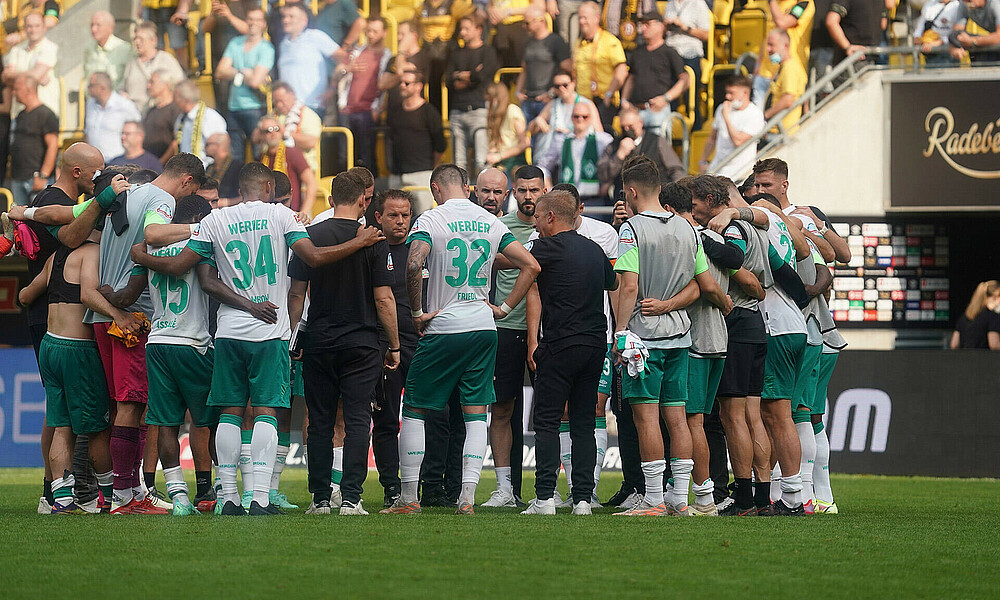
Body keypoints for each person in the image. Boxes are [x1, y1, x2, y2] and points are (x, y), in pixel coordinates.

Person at [129, 161, 389, 515]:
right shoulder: (280, 217)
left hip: (229, 332)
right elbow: (311, 257)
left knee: (231, 414)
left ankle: (229, 498)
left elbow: (195, 275)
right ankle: (261, 499)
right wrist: (358, 242)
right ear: (268, 188)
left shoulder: (214, 220)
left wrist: (141, 255)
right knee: (266, 412)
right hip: (270, 331)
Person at [382, 163, 540, 515]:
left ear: (436, 188)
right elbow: (530, 264)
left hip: (445, 326)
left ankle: (409, 498)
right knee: (474, 414)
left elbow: (412, 265)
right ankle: (467, 498)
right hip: (484, 327)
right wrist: (503, 307)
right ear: (468, 188)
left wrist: (417, 313)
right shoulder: (491, 222)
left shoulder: (431, 220)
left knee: (415, 410)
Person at [287, 173, 399, 516]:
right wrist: (394, 344)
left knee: (318, 423)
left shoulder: (310, 236)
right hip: (361, 343)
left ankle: (320, 498)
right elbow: (383, 299)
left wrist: (294, 336)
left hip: (319, 341)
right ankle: (351, 497)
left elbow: (296, 294)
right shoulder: (373, 240)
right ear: (365, 201)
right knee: (356, 421)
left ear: (331, 197)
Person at [110, 194, 219, 515]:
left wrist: (106, 294)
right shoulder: (201, 243)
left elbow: (127, 296)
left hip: (158, 343)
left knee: (166, 424)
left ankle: (179, 497)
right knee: (208, 422)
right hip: (194, 342)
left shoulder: (149, 250)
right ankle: (225, 490)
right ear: (198, 216)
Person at [520, 189, 617, 515]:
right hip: (594, 345)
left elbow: (511, 260)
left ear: (550, 217)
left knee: (546, 421)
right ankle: (582, 500)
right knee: (584, 423)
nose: (535, 225)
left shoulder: (544, 247)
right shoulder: (594, 248)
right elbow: (612, 282)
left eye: (537, 218)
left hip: (560, 345)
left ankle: (545, 498)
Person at [612, 156, 699, 516]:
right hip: (680, 334)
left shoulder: (631, 230)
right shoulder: (687, 228)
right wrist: (668, 305)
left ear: (631, 192)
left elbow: (628, 286)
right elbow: (699, 284)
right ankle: (680, 496)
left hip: (643, 340)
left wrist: (619, 332)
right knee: (677, 418)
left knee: (646, 419)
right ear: (659, 189)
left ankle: (653, 499)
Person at [16, 230, 116, 514]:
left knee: (62, 425)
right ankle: (109, 498)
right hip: (78, 349)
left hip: (50, 344)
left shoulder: (55, 258)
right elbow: (88, 295)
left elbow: (24, 296)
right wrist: (119, 314)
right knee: (97, 430)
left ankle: (61, 499)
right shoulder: (92, 252)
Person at [659, 181, 735, 516]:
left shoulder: (683, 238)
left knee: (690, 422)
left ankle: (700, 498)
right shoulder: (716, 238)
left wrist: (666, 304)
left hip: (694, 340)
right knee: (698, 421)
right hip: (717, 338)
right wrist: (725, 299)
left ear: (670, 209)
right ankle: (696, 495)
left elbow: (701, 286)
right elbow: (732, 278)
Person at [480, 165, 542, 508]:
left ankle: (550, 489)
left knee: (550, 412)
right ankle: (505, 489)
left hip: (544, 333)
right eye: (522, 190)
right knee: (502, 409)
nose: (528, 196)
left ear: (544, 191)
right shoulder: (497, 227)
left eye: (535, 190)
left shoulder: (557, 226)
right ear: (512, 194)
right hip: (504, 329)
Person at [370, 189, 425, 507]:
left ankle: (429, 486)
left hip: (421, 346)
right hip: (384, 349)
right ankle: (392, 487)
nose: (401, 221)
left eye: (405, 215)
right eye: (393, 215)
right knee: (387, 420)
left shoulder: (421, 248)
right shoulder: (371, 250)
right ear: (379, 217)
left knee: (429, 417)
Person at [216, 7, 275, 163]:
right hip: (234, 108)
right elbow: (220, 72)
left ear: (264, 24)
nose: (253, 23)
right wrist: (243, 72)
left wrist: (234, 71)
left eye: (257, 20)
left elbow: (256, 82)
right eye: (250, 19)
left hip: (255, 108)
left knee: (259, 156)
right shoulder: (235, 42)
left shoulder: (266, 48)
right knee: (235, 158)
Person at [385, 69, 447, 215]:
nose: (402, 86)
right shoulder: (395, 111)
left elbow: (440, 145)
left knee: (423, 218)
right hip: (396, 175)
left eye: (407, 83)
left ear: (419, 86)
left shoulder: (429, 112)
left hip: (421, 174)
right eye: (401, 82)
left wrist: (428, 168)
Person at [446, 12, 499, 177]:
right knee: (459, 163)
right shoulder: (456, 53)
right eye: (461, 29)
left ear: (478, 29)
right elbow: (448, 80)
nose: (462, 32)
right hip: (457, 110)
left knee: (481, 161)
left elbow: (484, 76)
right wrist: (470, 76)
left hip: (479, 108)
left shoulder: (488, 52)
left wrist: (460, 75)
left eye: (466, 29)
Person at [621, 10, 689, 138]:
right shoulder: (637, 52)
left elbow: (685, 79)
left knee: (657, 151)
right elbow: (631, 78)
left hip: (657, 111)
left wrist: (666, 98)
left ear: (660, 26)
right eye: (642, 25)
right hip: (636, 110)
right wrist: (624, 100)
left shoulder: (669, 52)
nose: (643, 28)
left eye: (648, 24)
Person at [337, 17, 393, 172]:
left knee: (366, 157)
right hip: (347, 110)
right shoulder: (356, 52)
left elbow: (386, 86)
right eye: (368, 30)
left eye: (375, 31)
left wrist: (378, 109)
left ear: (384, 33)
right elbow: (338, 72)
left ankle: (370, 195)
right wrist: (348, 69)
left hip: (367, 111)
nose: (370, 34)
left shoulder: (387, 56)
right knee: (344, 157)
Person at [597, 106, 685, 200]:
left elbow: (676, 169)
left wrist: (675, 196)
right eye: (623, 127)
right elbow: (603, 175)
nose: (627, 130)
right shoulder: (614, 145)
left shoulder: (657, 141)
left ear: (640, 123)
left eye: (630, 126)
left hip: (656, 200)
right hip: (625, 203)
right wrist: (619, 155)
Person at [537, 101, 612, 204]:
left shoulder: (602, 140)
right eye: (576, 116)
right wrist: (550, 190)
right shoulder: (561, 140)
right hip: (567, 201)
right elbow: (543, 166)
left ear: (590, 118)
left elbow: (614, 163)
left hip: (594, 199)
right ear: (571, 118)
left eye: (584, 117)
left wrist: (607, 183)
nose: (580, 119)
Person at [277, 2, 341, 119]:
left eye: (291, 16)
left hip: (310, 106)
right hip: (288, 108)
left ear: (304, 20)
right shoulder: (283, 44)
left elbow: (343, 58)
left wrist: (333, 88)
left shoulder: (315, 36)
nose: (286, 20)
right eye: (284, 16)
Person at [529, 69, 602, 169]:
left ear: (573, 83)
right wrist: (538, 121)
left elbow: (599, 133)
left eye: (565, 85)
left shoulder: (586, 104)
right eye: (557, 86)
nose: (562, 89)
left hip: (578, 155)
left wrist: (571, 132)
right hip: (553, 158)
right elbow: (531, 129)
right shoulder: (553, 104)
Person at [573, 2, 628, 133]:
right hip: (583, 102)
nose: (581, 21)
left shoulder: (610, 41)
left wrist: (609, 95)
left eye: (585, 17)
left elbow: (621, 70)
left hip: (603, 101)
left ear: (596, 18)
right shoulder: (578, 43)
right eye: (580, 17)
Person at [699, 76, 766, 181]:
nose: (727, 96)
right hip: (716, 170)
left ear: (745, 93)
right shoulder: (722, 108)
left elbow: (738, 141)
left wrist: (726, 117)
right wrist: (703, 161)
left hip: (739, 174)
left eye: (732, 93)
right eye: (727, 92)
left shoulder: (755, 114)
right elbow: (712, 138)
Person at [514, 6, 571, 128]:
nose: (524, 26)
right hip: (528, 100)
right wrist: (518, 92)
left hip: (547, 101)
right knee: (528, 141)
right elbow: (524, 69)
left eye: (527, 23)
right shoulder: (527, 43)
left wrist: (552, 93)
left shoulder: (556, 42)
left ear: (540, 21)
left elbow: (567, 70)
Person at [751, 0, 814, 107]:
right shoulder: (773, 3)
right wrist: (758, 64)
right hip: (765, 73)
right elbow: (767, 36)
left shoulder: (804, 2)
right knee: (758, 118)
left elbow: (782, 23)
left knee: (782, 116)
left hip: (788, 72)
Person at [8, 75, 58, 206]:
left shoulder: (46, 114)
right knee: (20, 224)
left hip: (36, 180)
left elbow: (53, 145)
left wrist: (43, 176)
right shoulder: (20, 115)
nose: (14, 93)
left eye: (17, 89)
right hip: (18, 178)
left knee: (39, 222)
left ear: (29, 90)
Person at [255, 114, 316, 219]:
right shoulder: (262, 157)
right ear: (261, 135)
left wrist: (304, 213)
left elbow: (312, 183)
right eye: (268, 131)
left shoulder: (292, 153)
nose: (273, 133)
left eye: (276, 129)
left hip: (292, 215)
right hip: (269, 217)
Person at [2, 13, 59, 118]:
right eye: (29, 26)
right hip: (19, 113)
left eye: (37, 26)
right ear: (24, 29)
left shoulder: (50, 48)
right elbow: (6, 77)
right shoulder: (16, 50)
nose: (33, 30)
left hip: (45, 111)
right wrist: (33, 75)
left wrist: (15, 75)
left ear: (44, 28)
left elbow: (36, 75)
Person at [120, 21, 184, 112]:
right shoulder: (131, 64)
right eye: (135, 39)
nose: (137, 42)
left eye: (141, 39)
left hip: (161, 113)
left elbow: (179, 85)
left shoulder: (166, 60)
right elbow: (122, 88)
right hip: (136, 114)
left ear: (153, 40)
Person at [85, 72, 143, 161]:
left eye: (91, 85)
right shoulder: (90, 104)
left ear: (102, 88)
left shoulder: (125, 105)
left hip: (117, 162)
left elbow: (138, 132)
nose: (88, 88)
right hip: (94, 163)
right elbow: (88, 132)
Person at [172, 79, 228, 167]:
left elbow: (220, 148)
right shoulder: (181, 119)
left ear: (186, 100)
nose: (173, 101)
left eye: (176, 97)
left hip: (207, 171)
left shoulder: (210, 118)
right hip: (186, 171)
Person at [664, 0, 712, 104]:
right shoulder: (670, 3)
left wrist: (685, 27)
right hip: (670, 50)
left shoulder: (698, 3)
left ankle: (693, 117)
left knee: (690, 98)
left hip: (689, 51)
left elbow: (706, 35)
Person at [763, 29, 808, 133]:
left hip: (782, 131)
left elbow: (788, 100)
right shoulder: (784, 67)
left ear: (786, 46)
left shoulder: (790, 68)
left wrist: (766, 115)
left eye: (771, 45)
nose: (768, 49)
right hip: (776, 130)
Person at [485, 82, 529, 174]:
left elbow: (524, 143)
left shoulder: (513, 110)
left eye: (491, 99)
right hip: (500, 161)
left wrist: (500, 156)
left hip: (514, 160)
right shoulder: (494, 115)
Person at [143, 69, 184, 163]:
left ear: (166, 84)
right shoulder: (151, 111)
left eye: (152, 82)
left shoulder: (175, 110)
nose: (148, 86)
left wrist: (160, 162)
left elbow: (177, 141)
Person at [83, 11, 133, 87]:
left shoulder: (124, 49)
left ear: (110, 28)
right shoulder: (89, 48)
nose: (93, 29)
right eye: (92, 25)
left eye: (98, 25)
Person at [488, 0, 541, 67]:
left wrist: (508, 12)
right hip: (498, 29)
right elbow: (490, 5)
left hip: (522, 25)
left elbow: (539, 6)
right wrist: (491, 12)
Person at [952, 281, 1000, 349]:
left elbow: (954, 344)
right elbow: (994, 345)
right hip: (985, 358)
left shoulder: (966, 316)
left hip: (965, 358)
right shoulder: (993, 317)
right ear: (996, 297)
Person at [913, 0, 963, 64]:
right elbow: (920, 26)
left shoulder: (957, 6)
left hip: (948, 53)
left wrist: (940, 42)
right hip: (930, 53)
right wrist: (918, 38)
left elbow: (958, 32)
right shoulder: (929, 4)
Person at [204, 132, 241, 204]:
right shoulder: (209, 168)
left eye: (207, 144)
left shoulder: (238, 168)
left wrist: (224, 203)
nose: (204, 147)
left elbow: (244, 197)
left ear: (217, 146)